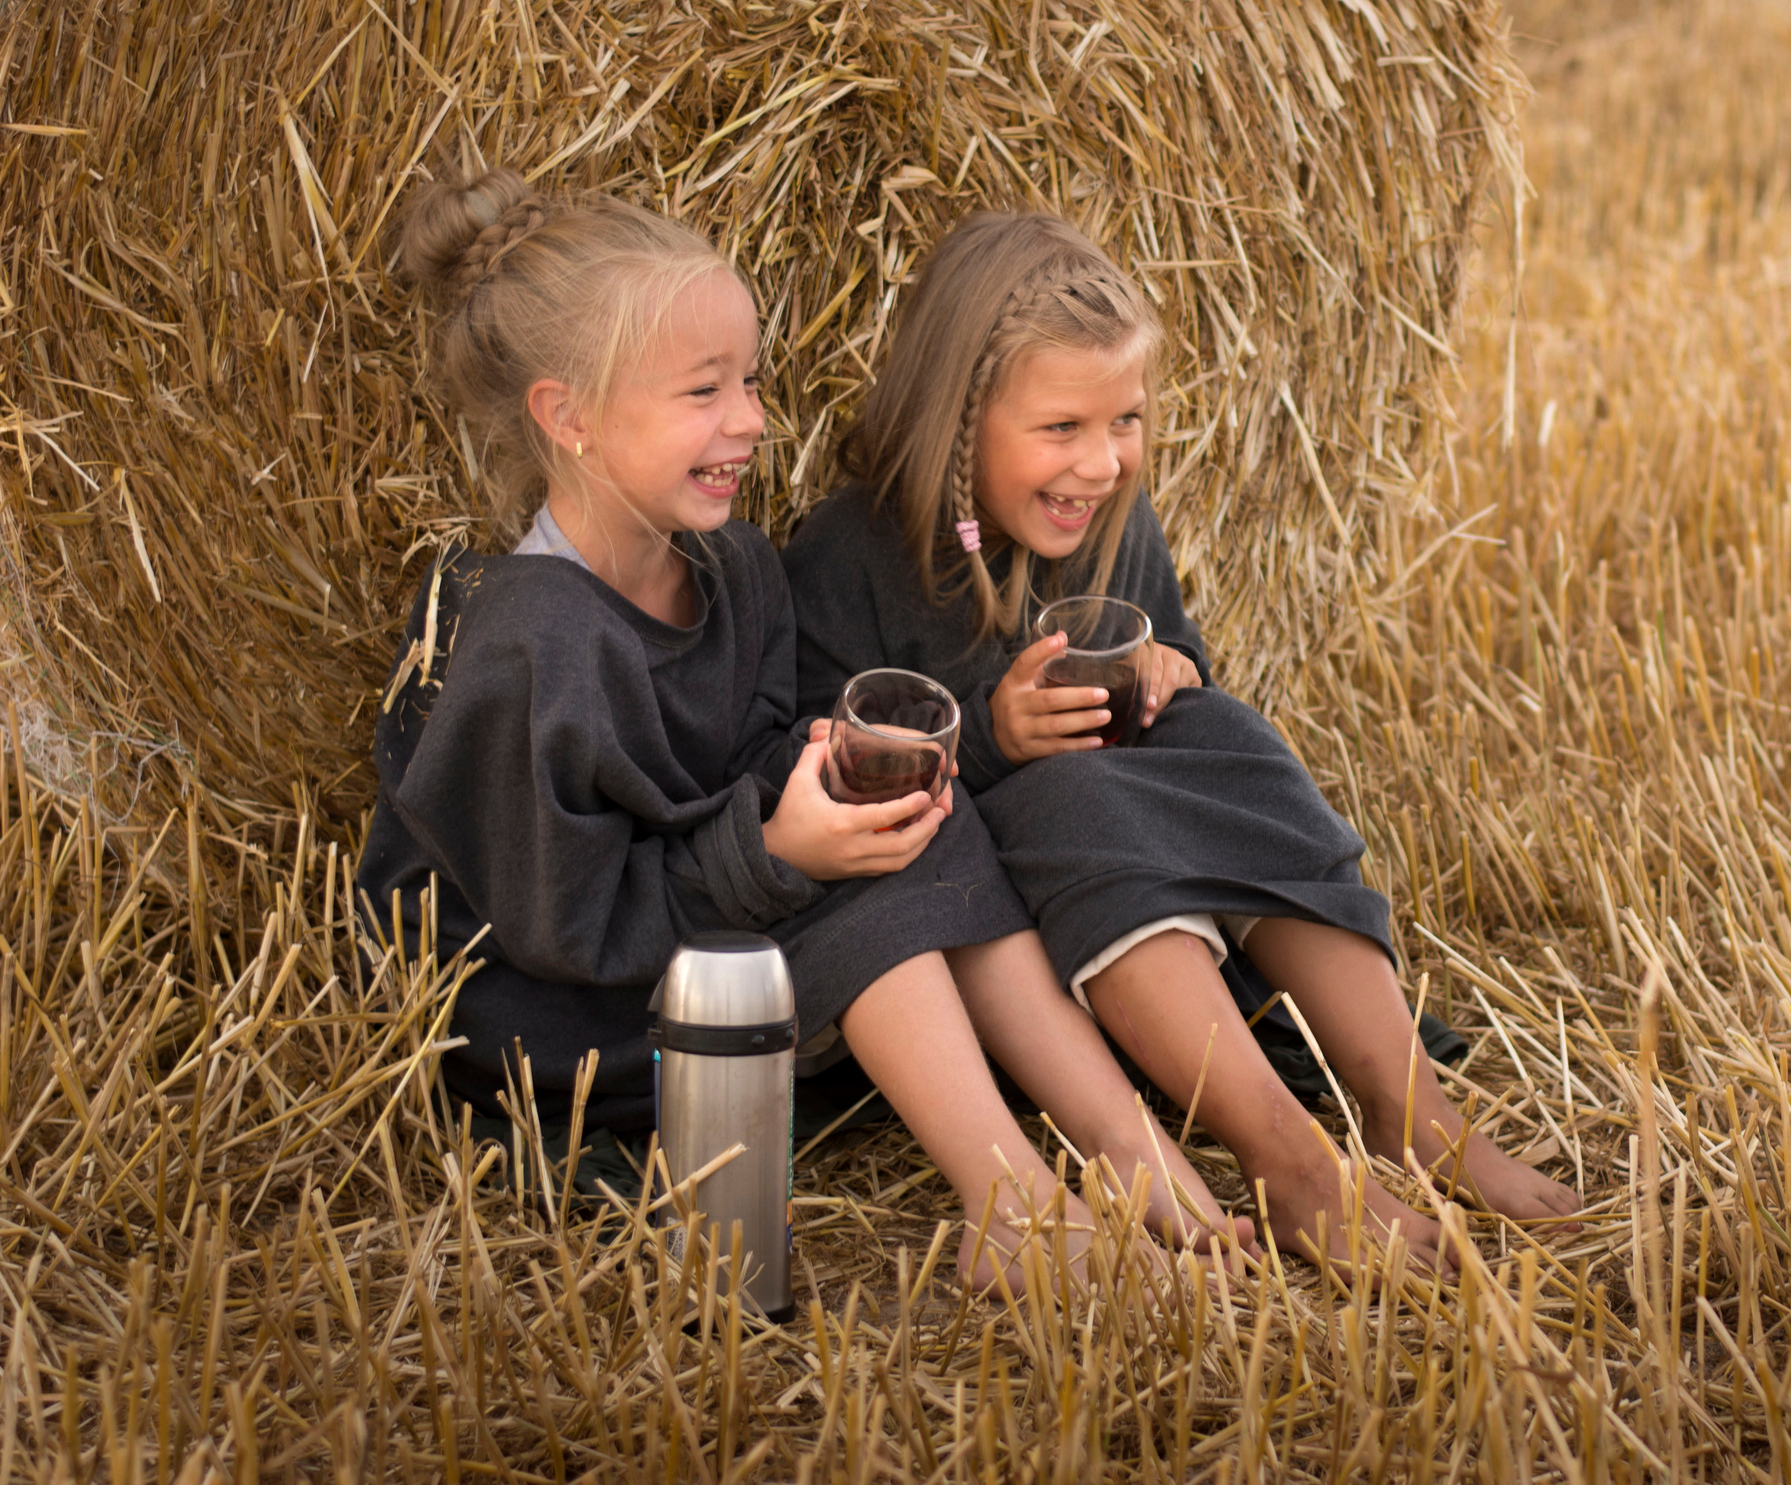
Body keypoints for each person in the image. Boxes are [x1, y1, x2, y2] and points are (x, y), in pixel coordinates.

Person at [355, 172, 1246, 1289]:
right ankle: (1012, 1205)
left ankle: (1133, 1153)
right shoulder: (526, 640)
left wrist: (823, 789)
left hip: (719, 947)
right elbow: (564, 923)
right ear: (567, 415)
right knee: (858, 870)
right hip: (573, 1022)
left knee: (913, 805)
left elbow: (760, 758)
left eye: (752, 381)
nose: (751, 422)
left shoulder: (736, 574)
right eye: (702, 393)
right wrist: (778, 853)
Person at [781, 210, 1584, 1270]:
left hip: (1127, 846)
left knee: (1229, 737)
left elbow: (1181, 645)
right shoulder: (848, 551)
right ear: (958, 415)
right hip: (1004, 904)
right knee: (1075, 801)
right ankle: (1288, 1162)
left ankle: (1410, 1107)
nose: (1103, 463)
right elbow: (853, 780)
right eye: (1062, 428)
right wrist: (992, 736)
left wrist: (1172, 670)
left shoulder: (1113, 514)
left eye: (1128, 420)